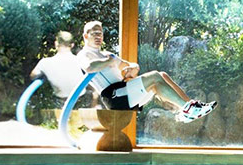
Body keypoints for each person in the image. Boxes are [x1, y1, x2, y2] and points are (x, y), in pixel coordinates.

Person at [76, 21, 217, 123]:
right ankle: (187, 109)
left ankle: (188, 107)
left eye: (100, 33)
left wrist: (134, 67)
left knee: (162, 76)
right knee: (155, 76)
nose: (98, 36)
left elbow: (128, 64)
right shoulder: (84, 54)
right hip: (114, 96)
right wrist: (109, 61)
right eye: (94, 33)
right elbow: (89, 68)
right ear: (85, 36)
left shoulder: (107, 54)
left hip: (124, 92)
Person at [30, 31, 85, 102]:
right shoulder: (81, 60)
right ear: (72, 45)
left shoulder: (45, 63)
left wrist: (46, 74)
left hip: (60, 100)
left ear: (56, 44)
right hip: (81, 97)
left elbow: (32, 76)